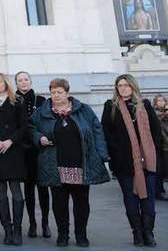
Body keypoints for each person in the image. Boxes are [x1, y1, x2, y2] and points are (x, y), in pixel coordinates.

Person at [29, 78, 110, 248]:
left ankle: (81, 235)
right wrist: (40, 138)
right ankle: (63, 234)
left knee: (81, 203)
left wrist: (102, 155)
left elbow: (97, 130)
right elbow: (30, 128)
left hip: (81, 164)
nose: (56, 95)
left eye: (59, 92)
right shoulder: (43, 112)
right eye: (53, 92)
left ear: (67, 93)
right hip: (55, 165)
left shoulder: (83, 110)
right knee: (59, 204)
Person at [102, 74, 161, 247]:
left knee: (148, 198)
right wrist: (117, 154)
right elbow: (107, 133)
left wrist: (152, 153)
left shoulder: (145, 105)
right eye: (120, 85)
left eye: (126, 85)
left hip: (147, 161)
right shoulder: (111, 106)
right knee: (130, 198)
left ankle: (148, 232)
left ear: (133, 86)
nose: (123, 88)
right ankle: (137, 232)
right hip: (124, 162)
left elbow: (156, 131)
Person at [0, 73, 27, 246]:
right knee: (0, 192)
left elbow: (24, 126)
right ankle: (7, 230)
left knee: (16, 191)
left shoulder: (17, 102)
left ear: (6, 84)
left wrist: (10, 141)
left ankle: (17, 230)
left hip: (13, 150)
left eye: (0, 81)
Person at [15, 71, 50, 238]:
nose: (23, 83)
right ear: (16, 83)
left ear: (31, 81)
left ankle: (45, 222)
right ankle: (32, 223)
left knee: (43, 187)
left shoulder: (41, 100)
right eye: (20, 80)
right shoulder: (12, 100)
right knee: (28, 188)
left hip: (39, 149)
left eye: (26, 79)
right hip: (22, 150)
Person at [153, 95, 168, 200]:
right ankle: (159, 191)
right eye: (159, 100)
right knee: (160, 170)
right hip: (160, 146)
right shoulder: (155, 114)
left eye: (163, 100)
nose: (161, 102)